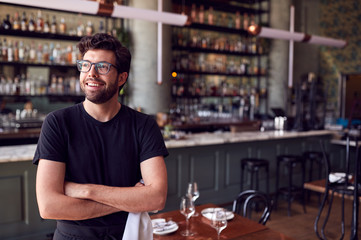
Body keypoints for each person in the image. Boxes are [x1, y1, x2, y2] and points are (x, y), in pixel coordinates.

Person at [33, 33, 168, 240]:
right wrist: (130, 199)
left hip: (129, 235)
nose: (91, 73)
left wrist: (86, 191)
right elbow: (49, 206)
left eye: (102, 67)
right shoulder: (58, 123)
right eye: (85, 65)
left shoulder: (143, 125)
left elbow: (156, 198)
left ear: (122, 77)